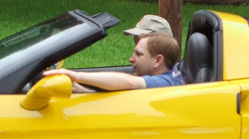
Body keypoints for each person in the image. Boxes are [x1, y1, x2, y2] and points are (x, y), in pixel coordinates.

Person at [43, 32, 185, 93]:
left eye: (139, 54)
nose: (131, 58)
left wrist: (77, 76)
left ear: (158, 60)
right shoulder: (170, 77)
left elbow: (129, 82)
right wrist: (85, 92)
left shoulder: (165, 84)